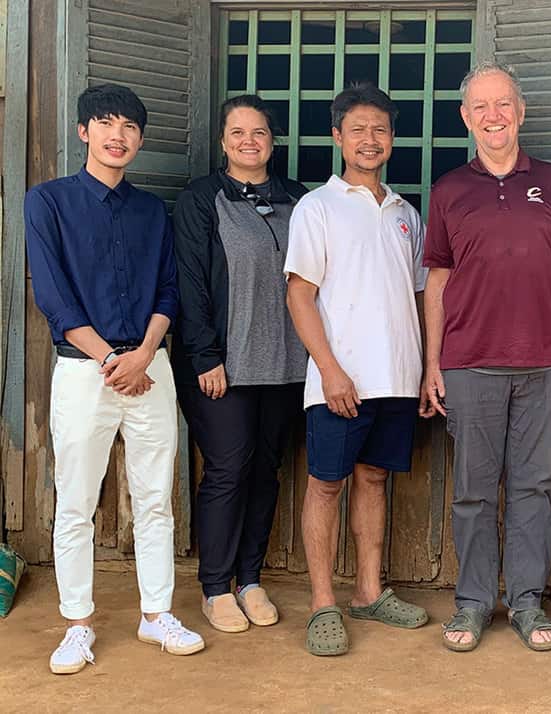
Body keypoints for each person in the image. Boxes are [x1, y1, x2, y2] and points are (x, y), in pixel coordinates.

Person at [24, 84, 205, 675]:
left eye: (129, 126)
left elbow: (168, 291)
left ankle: (157, 615)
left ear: (140, 139)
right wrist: (110, 360)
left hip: (150, 368)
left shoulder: (153, 210)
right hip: (84, 370)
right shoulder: (47, 202)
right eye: (105, 122)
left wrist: (145, 352)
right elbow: (53, 295)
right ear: (83, 132)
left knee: (156, 498)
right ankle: (77, 624)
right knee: (76, 501)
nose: (118, 135)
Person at [421, 62, 551, 653]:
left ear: (520, 112)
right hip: (469, 363)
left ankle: (526, 602)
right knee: (472, 491)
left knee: (534, 487)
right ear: (466, 117)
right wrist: (431, 364)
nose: (493, 116)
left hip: (546, 362)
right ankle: (472, 604)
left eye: (503, 104)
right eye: (481, 107)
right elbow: (437, 282)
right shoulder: (449, 190)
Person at [285, 84, 429, 657]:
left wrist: (423, 370)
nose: (370, 140)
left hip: (396, 377)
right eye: (358, 129)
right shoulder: (317, 207)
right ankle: (323, 602)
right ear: (337, 137)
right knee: (325, 485)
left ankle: (369, 591)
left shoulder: (406, 213)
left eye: (381, 130)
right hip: (339, 379)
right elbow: (300, 296)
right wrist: (330, 370)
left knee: (374, 480)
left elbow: (419, 298)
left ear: (392, 139)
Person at [172, 95, 307, 633]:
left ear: (273, 140)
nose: (249, 141)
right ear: (222, 140)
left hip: (286, 361)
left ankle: (249, 579)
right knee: (228, 468)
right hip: (222, 363)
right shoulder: (202, 199)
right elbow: (190, 282)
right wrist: (205, 354)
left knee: (265, 470)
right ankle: (214, 586)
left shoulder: (298, 198)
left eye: (259, 132)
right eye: (237, 132)